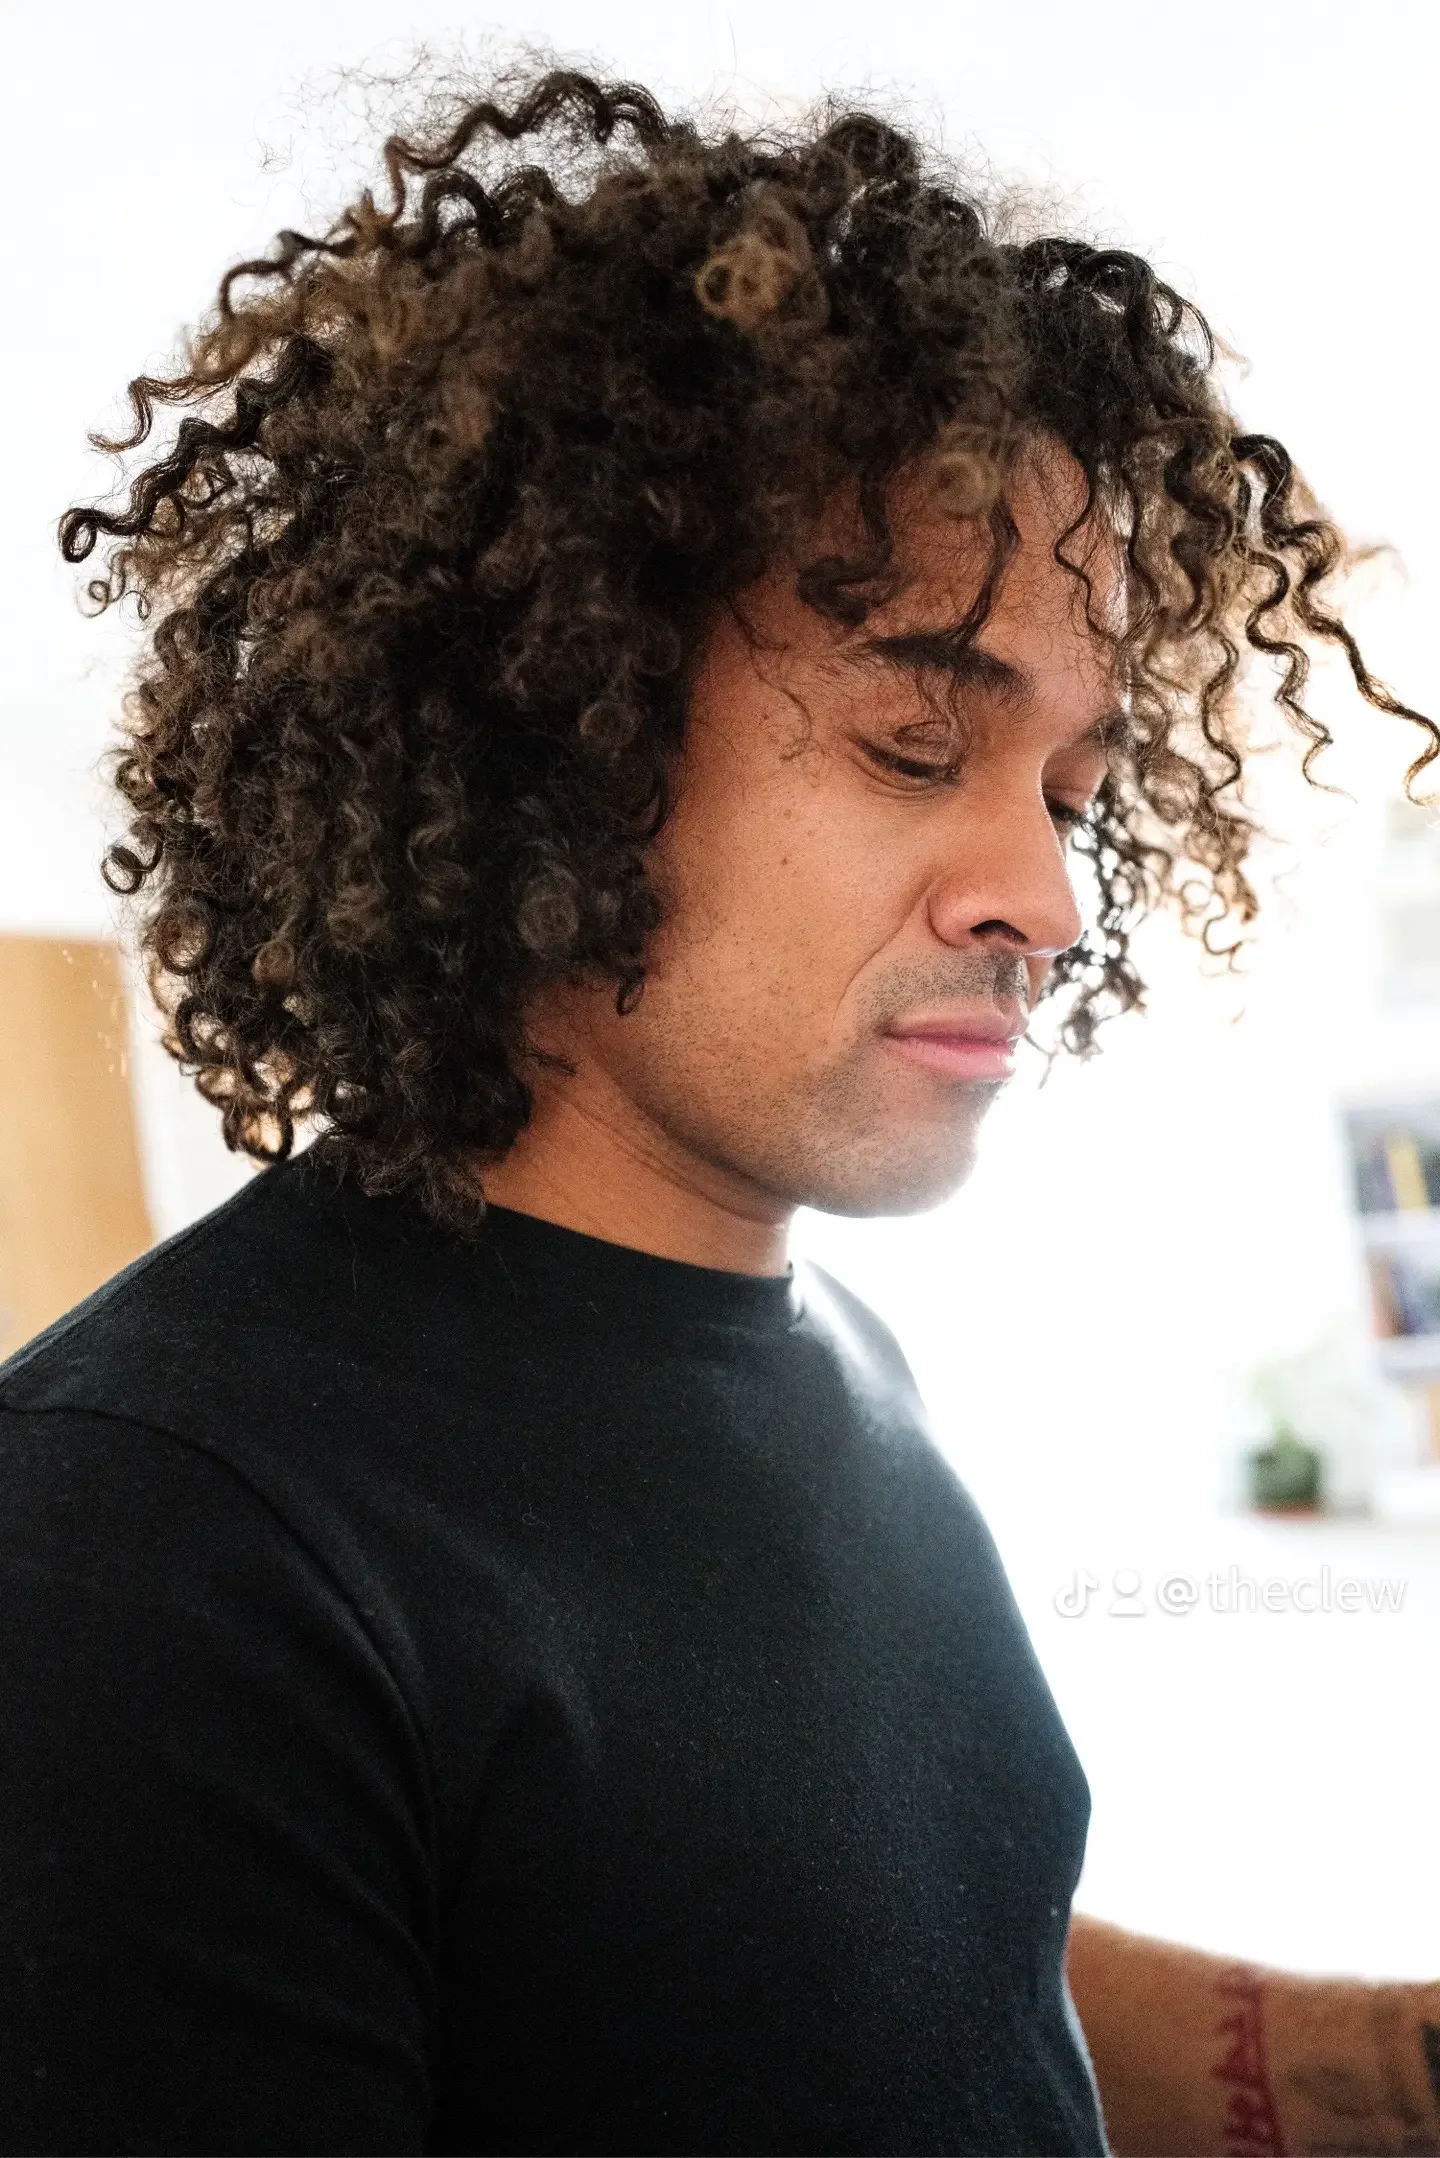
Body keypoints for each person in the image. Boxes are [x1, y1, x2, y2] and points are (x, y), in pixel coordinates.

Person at [3, 62, 1436, 2157]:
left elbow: (892, 1983)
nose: (1042, 894)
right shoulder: (150, 1547)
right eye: (912, 740)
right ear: (550, 743)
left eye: (1070, 788)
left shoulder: (831, 1358)